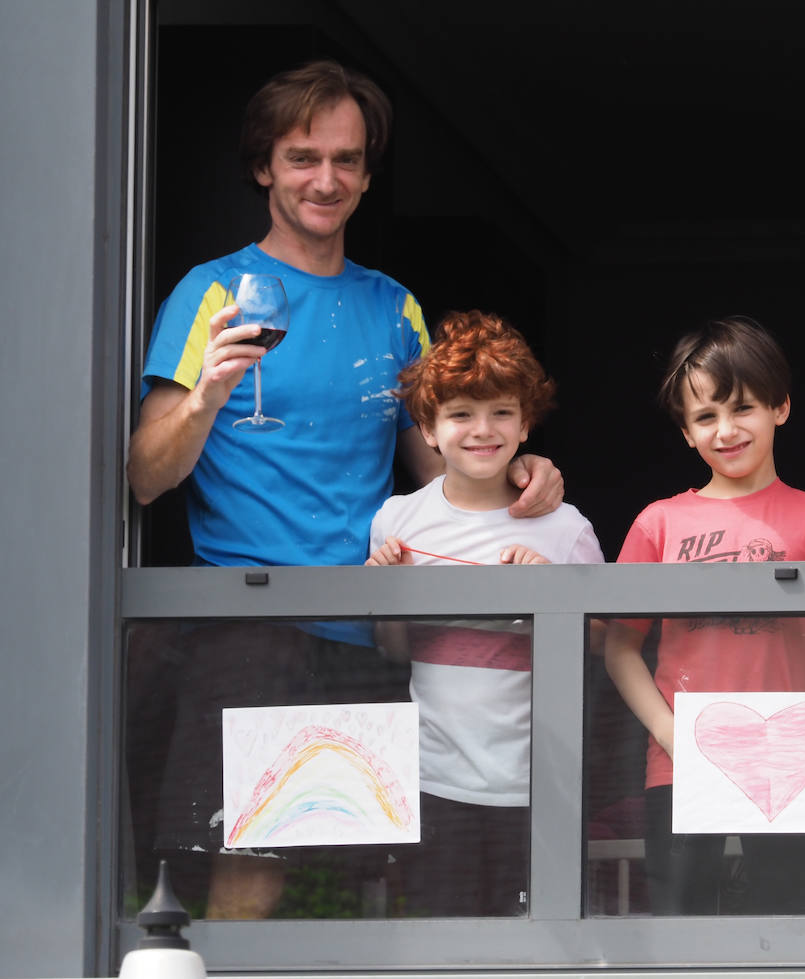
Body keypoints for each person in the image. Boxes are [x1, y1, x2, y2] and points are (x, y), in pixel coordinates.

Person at [126, 59, 563, 918]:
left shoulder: (394, 306)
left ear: (366, 174)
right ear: (263, 167)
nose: (326, 179)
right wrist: (209, 395)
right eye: (302, 157)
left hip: (371, 627)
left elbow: (442, 476)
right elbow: (145, 476)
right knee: (246, 874)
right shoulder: (212, 293)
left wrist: (523, 479)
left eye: (347, 160)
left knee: (356, 882)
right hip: (250, 623)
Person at [604, 317, 805, 915]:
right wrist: (671, 734)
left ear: (781, 407)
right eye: (704, 417)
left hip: (787, 759)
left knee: (785, 919)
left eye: (742, 408)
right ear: (685, 433)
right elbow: (618, 647)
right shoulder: (657, 523)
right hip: (680, 758)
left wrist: (802, 734)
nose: (725, 430)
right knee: (679, 924)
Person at [365, 310, 604, 916]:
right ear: (427, 427)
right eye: (461, 414)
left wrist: (554, 598)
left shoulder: (565, 527)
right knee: (440, 948)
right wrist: (384, 596)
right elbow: (395, 651)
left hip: (539, 781)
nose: (482, 429)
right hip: (431, 779)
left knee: (538, 952)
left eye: (501, 411)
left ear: (526, 423)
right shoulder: (397, 521)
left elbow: (604, 643)